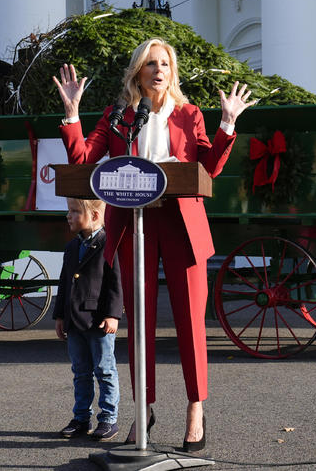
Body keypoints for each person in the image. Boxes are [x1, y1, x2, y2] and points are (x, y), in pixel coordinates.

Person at [53, 37, 254, 452]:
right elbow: (84, 161)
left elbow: (208, 167)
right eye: (149, 64)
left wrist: (228, 124)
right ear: (138, 73)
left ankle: (196, 407)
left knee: (189, 324)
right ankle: (143, 409)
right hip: (134, 224)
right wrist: (72, 114)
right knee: (140, 324)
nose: (158, 70)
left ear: (172, 71)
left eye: (164, 63)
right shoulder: (119, 116)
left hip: (181, 224)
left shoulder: (190, 114)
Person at [54, 197, 122, 441]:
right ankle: (81, 417)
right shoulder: (72, 247)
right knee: (80, 372)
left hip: (98, 322)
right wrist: (59, 315)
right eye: (68, 211)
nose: (68, 216)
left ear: (93, 216)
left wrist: (113, 315)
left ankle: (108, 420)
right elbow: (63, 283)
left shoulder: (108, 244)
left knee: (104, 370)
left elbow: (116, 283)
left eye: (74, 211)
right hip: (74, 321)